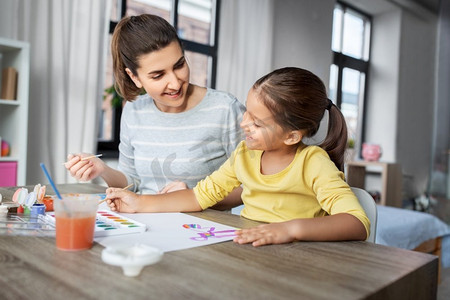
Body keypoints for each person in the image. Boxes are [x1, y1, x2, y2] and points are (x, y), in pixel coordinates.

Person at [105, 67, 370, 246]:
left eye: (257, 122)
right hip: (255, 250)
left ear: (292, 136)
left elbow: (356, 222)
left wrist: (289, 229)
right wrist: (139, 203)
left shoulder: (313, 162)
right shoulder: (245, 155)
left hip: (304, 261)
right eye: (247, 113)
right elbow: (199, 196)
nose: (244, 124)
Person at [64, 14, 245, 209]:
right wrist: (102, 170)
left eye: (179, 65)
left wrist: (193, 196)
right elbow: (132, 184)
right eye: (158, 75)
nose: (175, 83)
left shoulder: (225, 109)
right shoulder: (134, 111)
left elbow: (252, 186)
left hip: (201, 231)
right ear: (134, 77)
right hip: (146, 224)